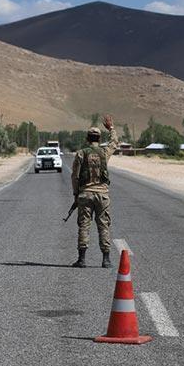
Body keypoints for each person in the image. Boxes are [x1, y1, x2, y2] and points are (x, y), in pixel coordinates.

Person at [71, 114, 119, 268]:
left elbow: (75, 176)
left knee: (84, 225)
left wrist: (76, 194)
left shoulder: (80, 153)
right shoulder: (104, 152)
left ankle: (82, 259)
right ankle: (106, 260)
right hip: (102, 194)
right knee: (103, 225)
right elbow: (114, 142)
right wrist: (111, 128)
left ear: (87, 138)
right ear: (98, 138)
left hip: (85, 194)